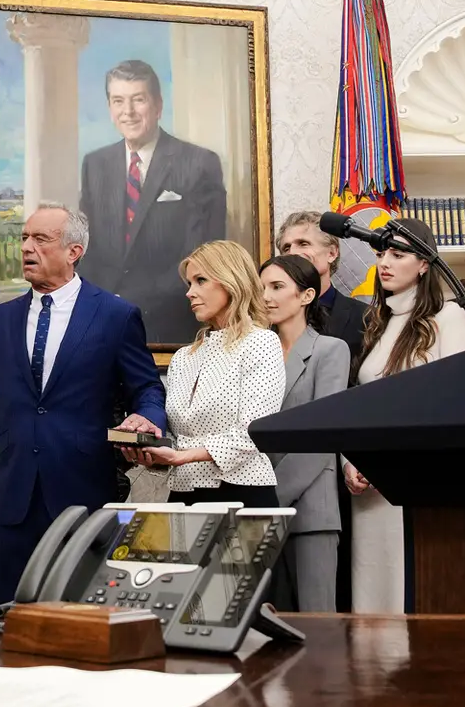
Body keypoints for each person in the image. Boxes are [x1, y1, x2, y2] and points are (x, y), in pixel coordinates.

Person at [0, 204, 166, 606]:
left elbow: (147, 388)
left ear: (73, 251)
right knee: (11, 623)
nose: (26, 246)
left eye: (40, 239)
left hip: (84, 494)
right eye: (24, 237)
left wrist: (147, 419)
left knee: (82, 622)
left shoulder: (115, 315)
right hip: (14, 502)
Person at [344, 217, 465, 614]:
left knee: (416, 595)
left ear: (423, 263)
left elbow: (453, 406)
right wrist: (350, 461)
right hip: (369, 487)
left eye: (398, 254)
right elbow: (359, 404)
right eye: (381, 253)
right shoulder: (377, 322)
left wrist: (396, 466)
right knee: (373, 597)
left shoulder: (448, 316)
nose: (384, 262)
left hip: (416, 482)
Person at [77, 60, 227, 346]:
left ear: (157, 106)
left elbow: (202, 253)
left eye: (138, 100)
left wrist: (131, 301)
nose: (128, 112)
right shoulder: (95, 164)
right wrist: (100, 301)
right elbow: (87, 246)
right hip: (102, 322)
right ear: (110, 108)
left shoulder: (199, 163)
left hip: (170, 324)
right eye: (118, 101)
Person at [127, 241, 285, 507]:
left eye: (201, 280)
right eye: (189, 283)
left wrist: (183, 456)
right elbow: (178, 441)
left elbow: (255, 433)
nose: (190, 293)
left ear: (231, 281)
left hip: (242, 492)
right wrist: (153, 452)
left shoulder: (261, 342)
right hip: (183, 494)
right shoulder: (183, 357)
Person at [260, 254, 351, 612]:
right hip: (257, 512)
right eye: (262, 287)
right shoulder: (256, 352)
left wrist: (268, 498)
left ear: (307, 296)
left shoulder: (330, 350)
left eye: (277, 287)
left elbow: (322, 436)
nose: (266, 296)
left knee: (317, 631)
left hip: (310, 511)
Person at [275, 210, 368, 378]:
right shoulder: (266, 319)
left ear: (332, 253)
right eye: (286, 248)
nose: (292, 253)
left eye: (303, 244)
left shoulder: (365, 318)